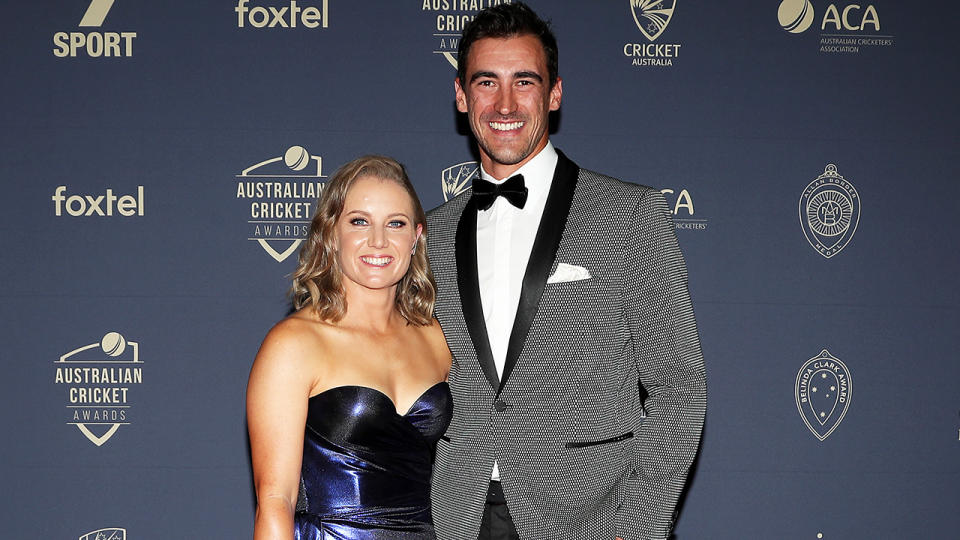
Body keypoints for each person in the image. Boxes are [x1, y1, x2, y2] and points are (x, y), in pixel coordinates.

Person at [426, 4, 707, 540]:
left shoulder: (627, 215)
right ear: (461, 97)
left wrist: (636, 524)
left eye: (524, 82)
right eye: (487, 82)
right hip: (461, 515)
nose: (505, 103)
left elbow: (681, 386)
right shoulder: (430, 234)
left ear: (554, 94)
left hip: (592, 518)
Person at [247, 155, 452, 540]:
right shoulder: (295, 344)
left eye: (396, 224)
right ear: (331, 233)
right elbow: (276, 500)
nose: (378, 240)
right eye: (359, 222)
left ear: (417, 237)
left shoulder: (434, 337)